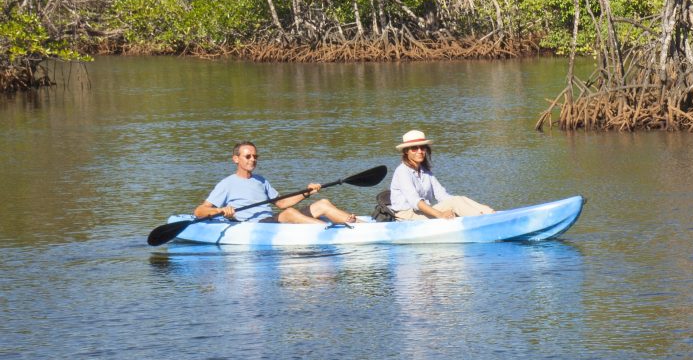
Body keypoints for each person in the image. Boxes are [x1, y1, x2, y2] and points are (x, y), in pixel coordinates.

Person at [192, 141, 361, 226]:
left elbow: (281, 203)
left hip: (271, 220)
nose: (253, 160)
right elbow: (200, 210)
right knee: (289, 213)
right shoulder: (227, 184)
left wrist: (307, 192)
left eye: (255, 157)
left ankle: (359, 226)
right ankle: (328, 230)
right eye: (248, 156)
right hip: (256, 226)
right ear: (236, 159)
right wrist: (221, 210)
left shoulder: (261, 180)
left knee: (322, 204)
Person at [388, 129, 494, 220]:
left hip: (421, 213)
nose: (420, 151)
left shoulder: (425, 171)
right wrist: (440, 214)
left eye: (422, 147)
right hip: (407, 217)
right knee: (455, 202)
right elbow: (416, 202)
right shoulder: (402, 172)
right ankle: (483, 218)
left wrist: (475, 206)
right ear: (406, 151)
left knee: (458, 199)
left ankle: (488, 213)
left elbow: (442, 196)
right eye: (414, 148)